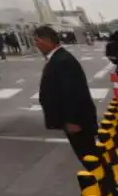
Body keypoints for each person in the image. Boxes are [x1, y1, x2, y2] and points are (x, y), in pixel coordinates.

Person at [35, 25, 100, 163]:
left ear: (47, 41)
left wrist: (72, 120)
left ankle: (106, 177)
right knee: (89, 157)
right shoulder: (58, 58)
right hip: (73, 121)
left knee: (90, 159)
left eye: (38, 41)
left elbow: (72, 93)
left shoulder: (62, 60)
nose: (36, 45)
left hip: (77, 123)